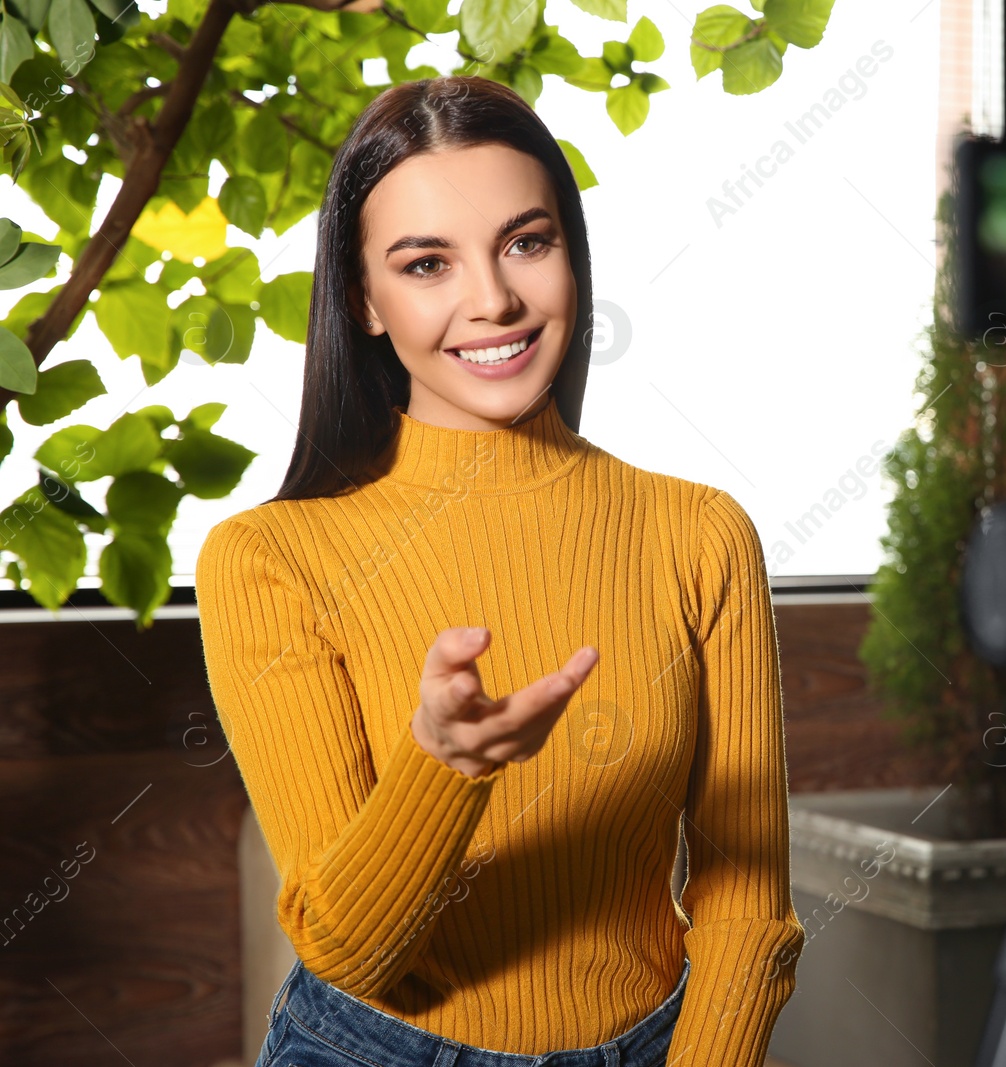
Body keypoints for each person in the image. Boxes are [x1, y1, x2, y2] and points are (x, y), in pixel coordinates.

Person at [193, 74, 805, 1067]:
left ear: (572, 252)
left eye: (527, 241)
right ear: (366, 302)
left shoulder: (698, 533)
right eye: (427, 263)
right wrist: (447, 768)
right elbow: (350, 948)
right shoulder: (268, 559)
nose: (493, 300)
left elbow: (747, 905)